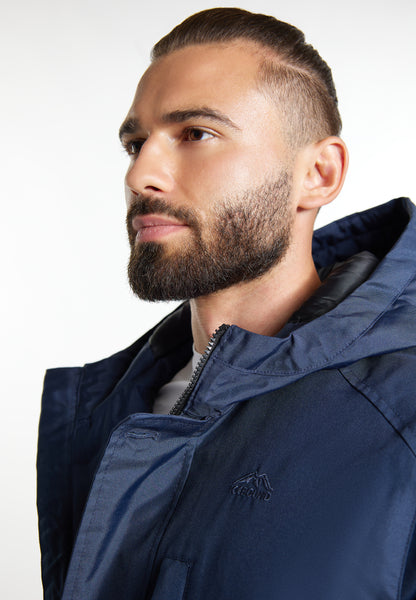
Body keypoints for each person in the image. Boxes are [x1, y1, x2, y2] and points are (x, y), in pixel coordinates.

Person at [37, 7, 416, 600]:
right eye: (135, 144)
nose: (140, 175)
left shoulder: (402, 412)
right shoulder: (112, 412)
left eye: (196, 133)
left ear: (318, 173)